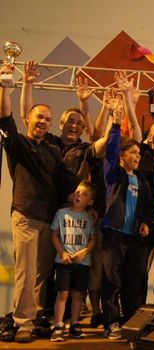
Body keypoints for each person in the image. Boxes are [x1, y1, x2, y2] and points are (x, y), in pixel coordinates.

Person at [0, 63, 76, 343]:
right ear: (28, 119)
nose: (43, 121)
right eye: (38, 117)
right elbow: (6, 116)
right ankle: (23, 322)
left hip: (50, 221)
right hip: (26, 216)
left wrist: (85, 207)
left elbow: (67, 188)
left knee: (43, 274)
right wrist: (9, 85)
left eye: (47, 118)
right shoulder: (17, 144)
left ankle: (38, 316)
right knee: (26, 271)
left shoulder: (54, 152)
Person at [100, 98, 153, 340]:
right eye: (132, 151)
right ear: (122, 155)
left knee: (133, 282)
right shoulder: (114, 173)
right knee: (112, 281)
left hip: (133, 238)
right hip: (113, 235)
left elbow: (147, 209)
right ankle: (111, 323)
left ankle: (131, 322)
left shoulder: (141, 181)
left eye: (139, 153)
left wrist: (144, 223)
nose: (137, 156)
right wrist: (116, 123)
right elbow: (110, 152)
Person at [50, 181, 97, 342]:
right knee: (62, 293)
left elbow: (93, 239)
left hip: (82, 263)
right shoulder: (61, 213)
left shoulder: (89, 217)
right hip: (64, 262)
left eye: (85, 194)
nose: (79, 195)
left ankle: (75, 324)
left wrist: (85, 252)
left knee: (78, 294)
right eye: (78, 191)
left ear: (90, 202)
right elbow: (54, 234)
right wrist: (61, 253)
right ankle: (58, 325)